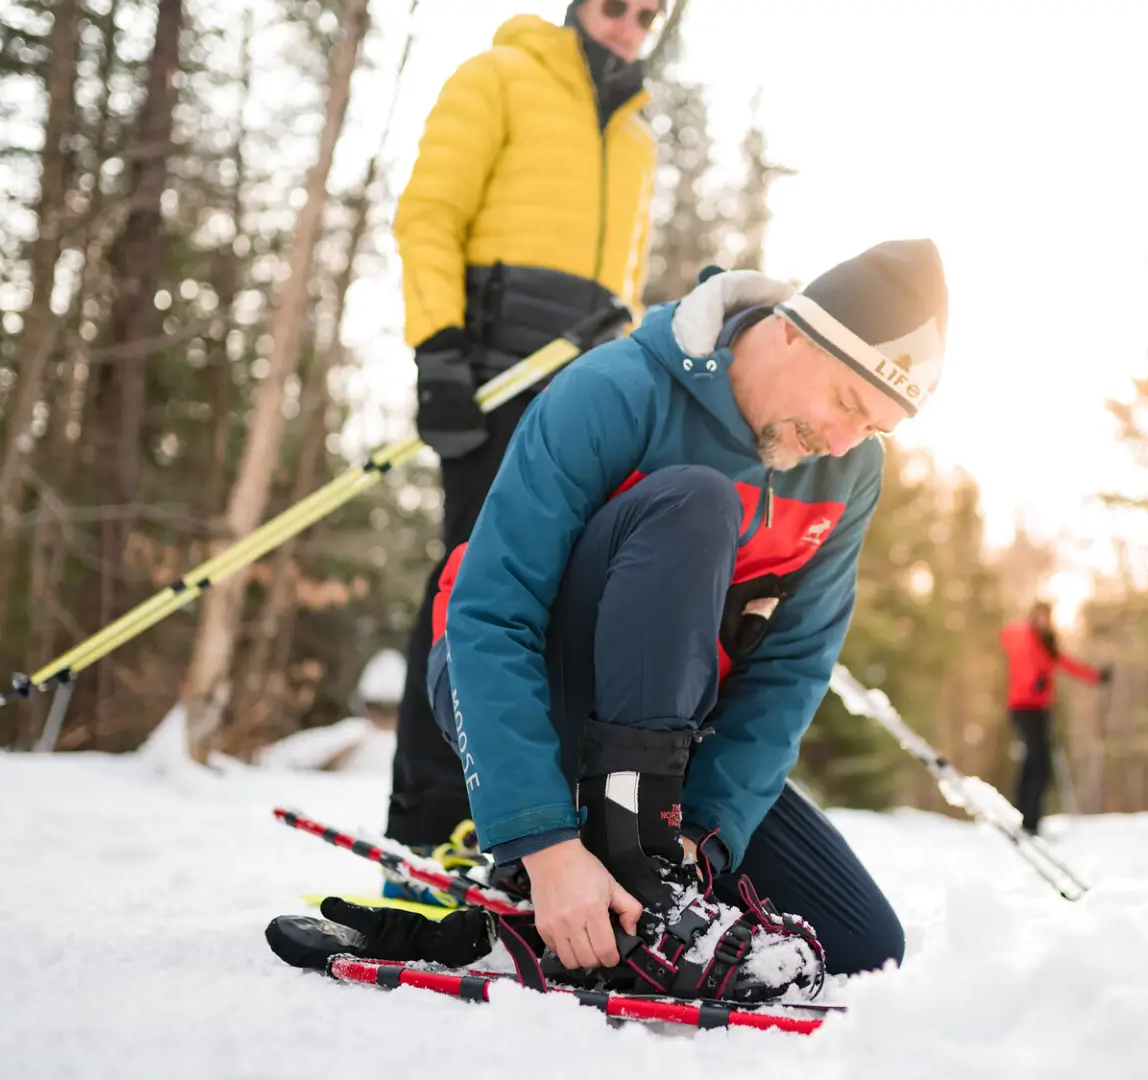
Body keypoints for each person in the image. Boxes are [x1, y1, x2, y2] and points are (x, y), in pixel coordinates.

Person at [405, 240, 950, 1002]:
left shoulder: (848, 472)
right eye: (849, 404)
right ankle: (612, 856)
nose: (844, 441)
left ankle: (652, 861)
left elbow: (791, 670)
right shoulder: (613, 391)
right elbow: (492, 617)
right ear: (794, 329)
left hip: (667, 744)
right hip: (516, 683)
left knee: (861, 944)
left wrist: (703, 835)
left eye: (876, 429)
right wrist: (546, 843)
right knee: (695, 501)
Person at [384, 0, 664, 871]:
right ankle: (431, 821)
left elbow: (626, 282)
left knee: (570, 591)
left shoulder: (638, 140)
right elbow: (428, 215)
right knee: (476, 579)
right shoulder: (498, 76)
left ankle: (532, 815)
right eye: (617, 6)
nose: (629, 25)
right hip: (493, 372)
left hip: (585, 386)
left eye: (649, 15)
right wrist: (438, 353)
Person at [998, 601, 1110, 836]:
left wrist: (1096, 677)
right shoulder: (1024, 636)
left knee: (1034, 764)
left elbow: (1068, 664)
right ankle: (1027, 821)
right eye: (1039, 616)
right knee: (1038, 764)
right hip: (1023, 707)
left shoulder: (1047, 644)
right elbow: (1021, 659)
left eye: (1047, 617)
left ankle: (1027, 819)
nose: (1043, 621)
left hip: (1040, 710)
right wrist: (1034, 680)